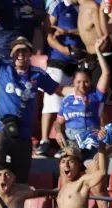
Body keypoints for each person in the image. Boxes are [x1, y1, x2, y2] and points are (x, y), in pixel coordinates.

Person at [0, 32, 60, 179]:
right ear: (11, 54)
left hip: (23, 131)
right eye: (17, 51)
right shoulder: (2, 67)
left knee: (21, 177)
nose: (20, 54)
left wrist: (78, 91)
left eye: (24, 50)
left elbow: (59, 89)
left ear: (30, 54)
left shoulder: (37, 74)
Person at [39, 0, 83, 159]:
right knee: (52, 101)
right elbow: (49, 35)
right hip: (59, 59)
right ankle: (44, 140)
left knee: (71, 103)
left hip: (79, 62)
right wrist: (65, 50)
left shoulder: (86, 7)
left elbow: (88, 31)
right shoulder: (59, 7)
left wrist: (70, 32)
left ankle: (64, 144)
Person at [56, 143, 107, 208]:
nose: (66, 165)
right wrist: (40, 192)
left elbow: (102, 172)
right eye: (63, 161)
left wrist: (102, 149)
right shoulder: (63, 186)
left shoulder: (82, 182)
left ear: (79, 165)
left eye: (71, 161)